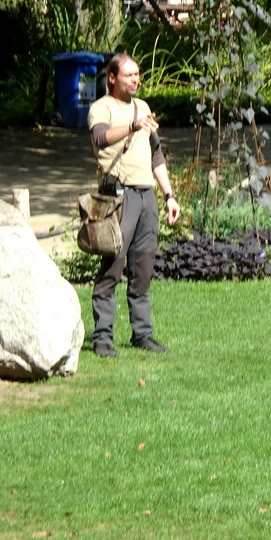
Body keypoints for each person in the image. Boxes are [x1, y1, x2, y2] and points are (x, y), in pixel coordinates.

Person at [86, 53, 180, 358]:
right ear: (112, 78)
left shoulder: (144, 108)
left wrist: (169, 195)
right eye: (129, 75)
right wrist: (132, 126)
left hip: (146, 198)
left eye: (137, 74)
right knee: (112, 268)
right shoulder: (101, 108)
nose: (135, 79)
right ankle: (102, 338)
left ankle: (142, 334)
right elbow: (100, 138)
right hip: (118, 199)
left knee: (143, 269)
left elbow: (156, 155)